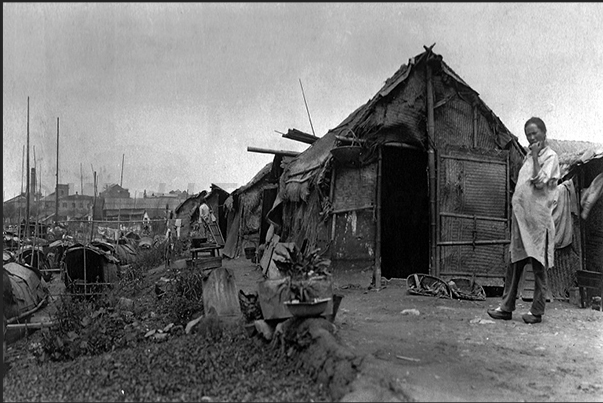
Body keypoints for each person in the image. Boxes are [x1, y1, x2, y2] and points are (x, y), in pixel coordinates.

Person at [488, 117, 560, 324]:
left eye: (534, 133)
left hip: (538, 222)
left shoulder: (550, 157)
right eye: (528, 133)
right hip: (522, 220)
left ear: (544, 133)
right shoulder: (530, 156)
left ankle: (536, 312)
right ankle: (506, 307)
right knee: (515, 263)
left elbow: (539, 183)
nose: (530, 137)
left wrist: (536, 155)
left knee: (538, 266)